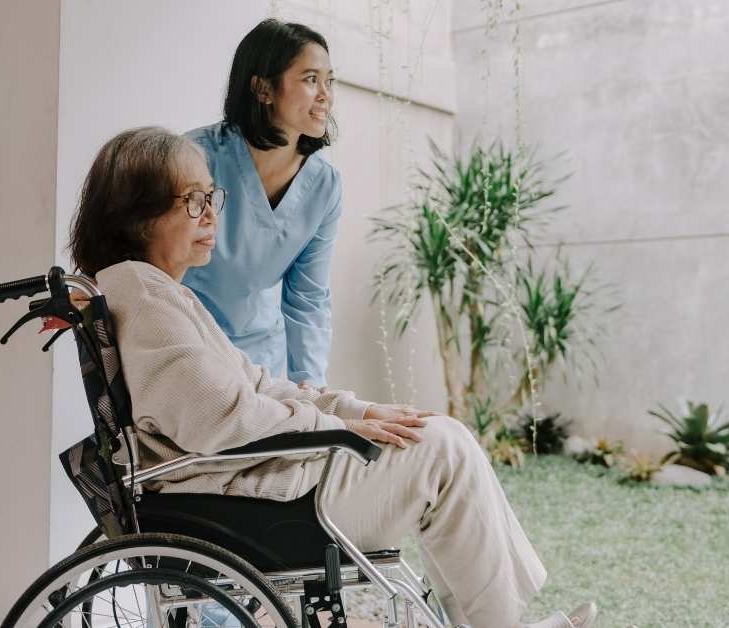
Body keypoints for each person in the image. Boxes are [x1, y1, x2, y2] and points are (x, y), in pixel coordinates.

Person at [67, 126, 598, 628]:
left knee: (438, 437)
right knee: (444, 449)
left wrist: (354, 411)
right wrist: (338, 430)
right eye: (192, 201)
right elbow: (221, 417)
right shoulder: (147, 298)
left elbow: (256, 385)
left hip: (250, 483)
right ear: (138, 216)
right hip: (252, 498)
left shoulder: (152, 291)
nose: (210, 216)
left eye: (212, 198)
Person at [181, 19, 344, 388]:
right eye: (310, 79)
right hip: (189, 351)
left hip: (261, 367)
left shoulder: (324, 185)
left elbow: (308, 298)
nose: (325, 95)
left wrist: (311, 387)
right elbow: (150, 263)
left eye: (329, 81)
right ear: (263, 89)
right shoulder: (193, 158)